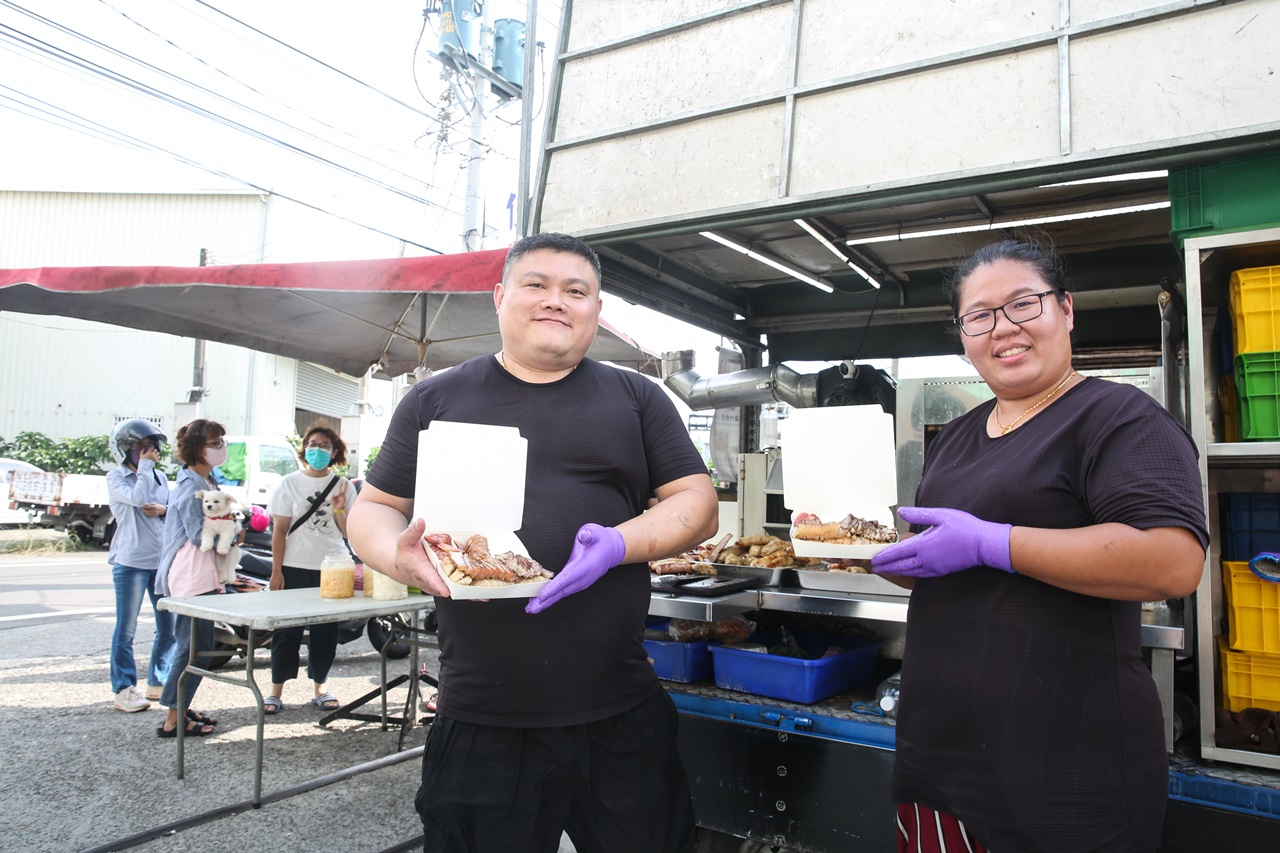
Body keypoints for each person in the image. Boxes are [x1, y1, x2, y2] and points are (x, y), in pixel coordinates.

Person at [348, 231, 719, 853]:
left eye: (577, 291)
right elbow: (374, 509)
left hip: (620, 710)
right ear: (499, 297)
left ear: (596, 311)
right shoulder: (438, 397)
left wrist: (617, 544)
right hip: (482, 716)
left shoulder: (636, 398)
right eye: (536, 284)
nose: (556, 300)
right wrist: (394, 554)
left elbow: (697, 503)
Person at [869, 238, 1208, 852]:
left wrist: (993, 543)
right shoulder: (958, 436)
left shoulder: (1115, 417)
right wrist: (908, 562)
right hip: (939, 756)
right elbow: (963, 570)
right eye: (979, 316)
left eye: (1023, 305)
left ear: (1067, 310)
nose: (1003, 329)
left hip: (1065, 768)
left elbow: (1173, 561)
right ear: (962, 334)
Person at [263, 424, 357, 714]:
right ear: (305, 449)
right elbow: (279, 532)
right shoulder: (288, 483)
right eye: (313, 444)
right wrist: (276, 571)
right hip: (294, 564)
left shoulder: (344, 486)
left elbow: (347, 533)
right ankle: (275, 690)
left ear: (334, 452)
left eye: (325, 445)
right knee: (286, 631)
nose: (318, 450)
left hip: (333, 566)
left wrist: (339, 508)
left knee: (325, 632)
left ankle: (321, 687)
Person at [153, 418, 236, 738]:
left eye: (221, 442)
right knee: (192, 648)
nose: (221, 449)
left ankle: (181, 707)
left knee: (199, 645)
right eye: (215, 443)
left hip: (202, 574)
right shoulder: (191, 487)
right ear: (196, 449)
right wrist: (232, 531)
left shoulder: (206, 481)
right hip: (191, 575)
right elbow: (198, 533)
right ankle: (173, 719)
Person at [105, 418, 175, 712]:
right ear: (124, 450)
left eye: (151, 447)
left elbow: (173, 510)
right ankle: (123, 689)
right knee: (127, 629)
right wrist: (145, 468)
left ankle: (158, 682)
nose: (147, 452)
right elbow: (137, 498)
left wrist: (164, 509)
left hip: (160, 562)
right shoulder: (116, 478)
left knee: (168, 628)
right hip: (131, 563)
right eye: (140, 447)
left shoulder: (159, 477)